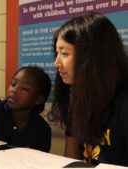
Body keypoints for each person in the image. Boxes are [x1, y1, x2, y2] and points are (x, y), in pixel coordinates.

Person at [52, 12, 128, 166]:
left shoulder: (123, 100)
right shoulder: (75, 95)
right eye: (57, 53)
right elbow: (73, 152)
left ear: (92, 56)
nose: (56, 63)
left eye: (65, 53)